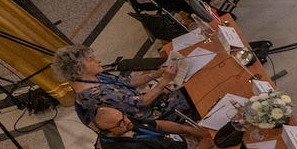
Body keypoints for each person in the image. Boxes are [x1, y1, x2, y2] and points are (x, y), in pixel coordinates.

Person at [54, 43, 195, 126]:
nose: (98, 61)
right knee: (194, 94)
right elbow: (143, 102)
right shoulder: (96, 95)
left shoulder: (93, 76)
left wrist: (157, 74)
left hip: (146, 104)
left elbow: (128, 82)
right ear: (79, 68)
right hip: (150, 118)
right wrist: (165, 81)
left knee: (190, 83)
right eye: (91, 60)